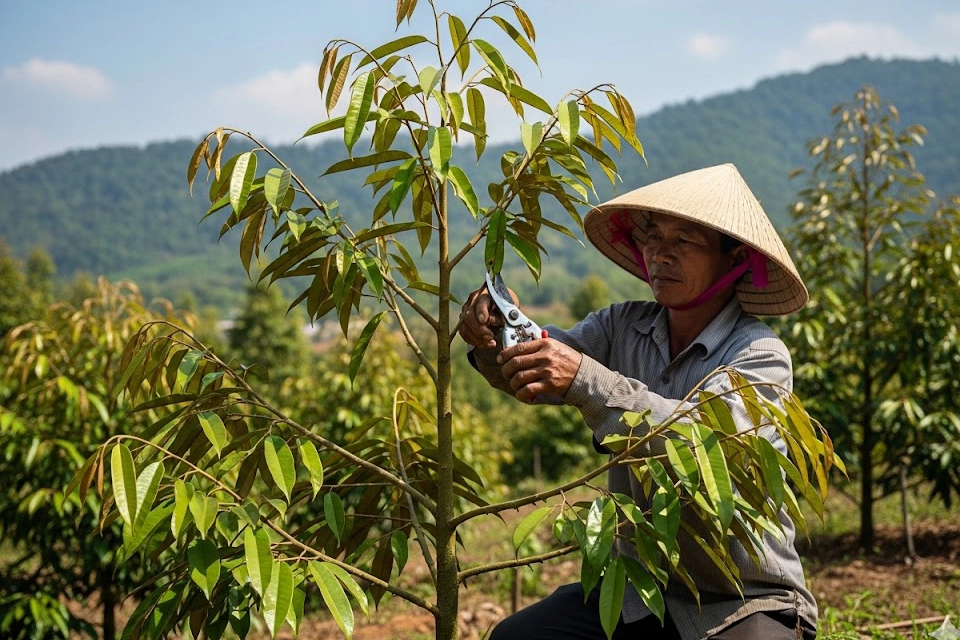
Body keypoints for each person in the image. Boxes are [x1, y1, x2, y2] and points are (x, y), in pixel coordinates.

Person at [458, 164, 818, 640]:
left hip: (743, 600)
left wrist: (587, 380)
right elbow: (538, 369)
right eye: (653, 237)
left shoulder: (759, 355)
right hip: (640, 594)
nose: (660, 254)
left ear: (734, 260)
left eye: (684, 242)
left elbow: (708, 448)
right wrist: (494, 337)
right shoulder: (621, 326)